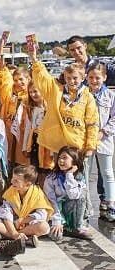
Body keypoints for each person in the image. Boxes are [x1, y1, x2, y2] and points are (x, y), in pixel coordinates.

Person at [30, 44, 99, 215]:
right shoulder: (57, 92)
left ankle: (81, 216)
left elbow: (92, 123)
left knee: (79, 183)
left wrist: (90, 147)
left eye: (75, 78)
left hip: (79, 148)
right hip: (60, 148)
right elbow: (44, 79)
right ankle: (61, 215)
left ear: (82, 77)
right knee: (60, 182)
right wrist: (34, 59)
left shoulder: (88, 97)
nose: (72, 81)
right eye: (68, 78)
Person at [0, 165, 53, 247]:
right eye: (12, 178)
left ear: (27, 184)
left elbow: (42, 214)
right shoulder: (11, 191)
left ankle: (5, 236)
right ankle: (21, 238)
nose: (12, 182)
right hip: (11, 224)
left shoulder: (37, 194)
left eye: (16, 180)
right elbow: (5, 212)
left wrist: (22, 220)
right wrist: (13, 231)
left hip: (28, 224)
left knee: (44, 227)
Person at [0, 40, 30, 166]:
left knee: (23, 168)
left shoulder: (31, 96)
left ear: (28, 79)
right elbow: (5, 80)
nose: (18, 83)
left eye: (21, 80)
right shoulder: (10, 94)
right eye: (16, 80)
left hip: (24, 137)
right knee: (9, 167)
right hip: (8, 135)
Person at [85, 63, 115, 221]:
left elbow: (114, 117)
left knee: (107, 173)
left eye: (97, 77)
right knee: (85, 173)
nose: (94, 80)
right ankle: (85, 206)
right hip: (86, 141)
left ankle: (111, 205)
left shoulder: (110, 96)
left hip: (104, 139)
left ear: (104, 78)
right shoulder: (83, 94)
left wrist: (104, 132)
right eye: (91, 77)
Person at [44, 146, 94, 241]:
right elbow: (51, 200)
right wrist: (57, 221)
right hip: (56, 212)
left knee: (81, 196)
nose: (61, 161)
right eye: (59, 157)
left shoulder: (79, 177)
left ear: (74, 161)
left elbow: (74, 195)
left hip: (72, 212)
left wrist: (69, 175)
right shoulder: (51, 177)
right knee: (56, 236)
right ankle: (64, 227)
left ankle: (77, 227)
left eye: (64, 157)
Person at [20, 85, 54, 186]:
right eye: (30, 92)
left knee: (46, 170)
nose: (32, 94)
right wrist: (25, 146)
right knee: (34, 170)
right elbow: (28, 127)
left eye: (35, 91)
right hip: (35, 142)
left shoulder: (50, 107)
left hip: (47, 144)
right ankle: (36, 193)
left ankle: (46, 194)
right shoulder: (31, 108)